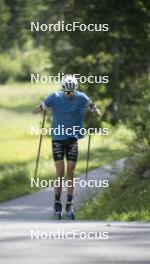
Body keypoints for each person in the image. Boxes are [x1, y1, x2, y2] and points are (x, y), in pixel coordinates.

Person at [33, 74, 101, 220]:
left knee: (70, 172)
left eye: (72, 91)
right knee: (60, 172)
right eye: (67, 92)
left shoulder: (82, 97)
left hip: (72, 139)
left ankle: (69, 204)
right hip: (57, 139)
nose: (69, 94)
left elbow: (94, 109)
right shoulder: (54, 97)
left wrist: (95, 111)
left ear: (76, 88)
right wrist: (40, 108)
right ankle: (57, 204)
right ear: (63, 89)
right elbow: (39, 108)